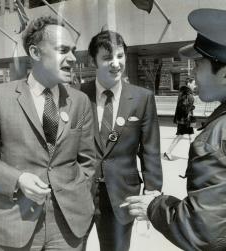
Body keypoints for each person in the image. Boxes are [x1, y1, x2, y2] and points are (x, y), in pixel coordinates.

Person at [0, 16, 95, 251]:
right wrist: (18, 179)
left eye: (73, 51)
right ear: (36, 53)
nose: (72, 58)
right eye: (63, 50)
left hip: (68, 226)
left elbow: (88, 161)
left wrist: (75, 194)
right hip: (15, 223)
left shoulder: (80, 101)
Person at [143, 8, 226, 251]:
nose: (192, 74)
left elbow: (205, 232)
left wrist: (154, 205)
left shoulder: (218, 140)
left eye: (198, 65)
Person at [81, 30, 163, 251]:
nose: (115, 64)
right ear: (93, 61)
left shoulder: (142, 98)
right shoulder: (78, 95)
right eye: (107, 58)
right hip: (79, 192)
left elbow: (150, 150)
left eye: (120, 56)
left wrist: (152, 193)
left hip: (121, 194)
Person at [164, 78, 196, 160]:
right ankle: (168, 152)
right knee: (180, 136)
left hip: (189, 118)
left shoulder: (186, 93)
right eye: (193, 84)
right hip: (185, 119)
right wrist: (192, 107)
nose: (195, 86)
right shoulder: (185, 93)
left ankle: (193, 156)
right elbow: (183, 107)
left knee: (191, 137)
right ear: (189, 83)